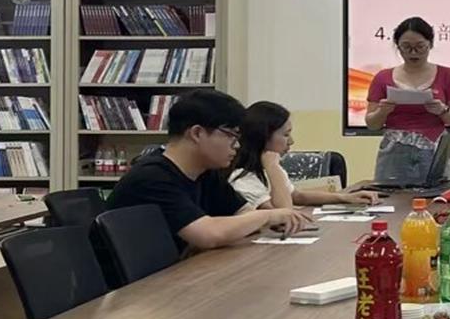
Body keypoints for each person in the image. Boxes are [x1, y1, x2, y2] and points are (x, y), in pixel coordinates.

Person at [107, 89, 313, 250]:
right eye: (231, 135)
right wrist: (267, 217)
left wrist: (267, 219)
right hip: (135, 288)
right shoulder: (152, 177)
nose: (237, 145)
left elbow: (243, 214)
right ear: (197, 133)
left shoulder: (205, 172)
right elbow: (209, 234)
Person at [363, 17, 450, 187]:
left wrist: (442, 110)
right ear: (398, 46)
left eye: (420, 46)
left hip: (433, 150)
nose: (413, 53)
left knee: (436, 197)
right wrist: (382, 111)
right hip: (394, 152)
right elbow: (372, 124)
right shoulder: (382, 77)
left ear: (430, 44)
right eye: (406, 47)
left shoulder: (448, 75)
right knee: (390, 197)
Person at [227, 100, 378, 209]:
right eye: (286, 135)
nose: (291, 141)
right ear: (263, 137)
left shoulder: (267, 168)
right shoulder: (242, 178)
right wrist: (273, 168)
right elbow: (284, 214)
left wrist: (344, 198)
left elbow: (297, 196)